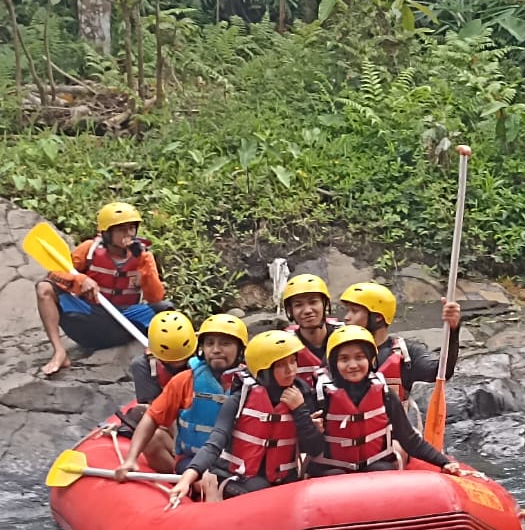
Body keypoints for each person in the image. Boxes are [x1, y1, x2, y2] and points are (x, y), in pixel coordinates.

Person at [165, 331, 324, 505]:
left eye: (293, 361)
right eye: (281, 365)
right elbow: (214, 443)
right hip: (237, 477)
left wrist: (300, 411)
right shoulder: (238, 399)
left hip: (283, 478)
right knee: (260, 488)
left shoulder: (301, 396)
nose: (291, 370)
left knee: (289, 489)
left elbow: (314, 449)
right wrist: (187, 478)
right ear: (264, 369)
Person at [304, 326, 472, 477]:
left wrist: (444, 462)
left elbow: (409, 439)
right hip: (332, 471)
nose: (353, 364)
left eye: (359, 357)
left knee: (380, 469)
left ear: (370, 361)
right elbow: (308, 448)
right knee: (334, 474)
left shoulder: (384, 394)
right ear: (334, 364)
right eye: (344, 359)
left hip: (374, 467)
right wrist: (312, 431)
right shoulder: (319, 396)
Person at [35, 201, 171, 377]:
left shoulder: (143, 257)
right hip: (91, 316)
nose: (128, 234)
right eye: (121, 229)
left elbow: (156, 297)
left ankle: (156, 355)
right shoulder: (89, 249)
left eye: (131, 228)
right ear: (106, 233)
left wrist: (145, 266)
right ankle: (59, 352)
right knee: (44, 288)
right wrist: (80, 279)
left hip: (125, 318)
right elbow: (54, 274)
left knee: (165, 309)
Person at [115, 314, 248, 478]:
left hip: (235, 463)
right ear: (202, 348)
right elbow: (152, 418)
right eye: (209, 343)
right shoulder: (184, 381)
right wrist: (131, 459)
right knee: (207, 478)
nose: (216, 350)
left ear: (240, 349)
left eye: (225, 344)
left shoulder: (252, 383)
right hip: (191, 461)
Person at [338, 281, 461, 400]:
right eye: (348, 311)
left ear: (378, 317)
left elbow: (441, 373)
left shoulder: (407, 353)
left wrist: (453, 331)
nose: (347, 317)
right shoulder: (337, 353)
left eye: (354, 311)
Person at [281, 273, 342, 388]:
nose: (307, 310)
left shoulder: (347, 336)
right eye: (298, 305)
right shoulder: (282, 346)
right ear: (290, 310)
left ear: (325, 304)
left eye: (313, 302)